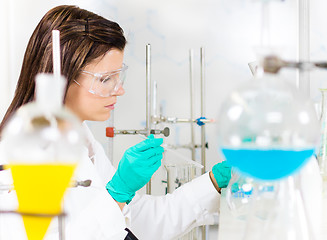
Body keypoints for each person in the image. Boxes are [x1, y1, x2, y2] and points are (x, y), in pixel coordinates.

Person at [0, 5, 231, 240]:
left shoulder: (82, 140)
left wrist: (213, 183)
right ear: (62, 77)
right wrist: (119, 193)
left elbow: (137, 222)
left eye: (119, 76)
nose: (119, 90)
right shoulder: (21, 153)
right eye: (105, 79)